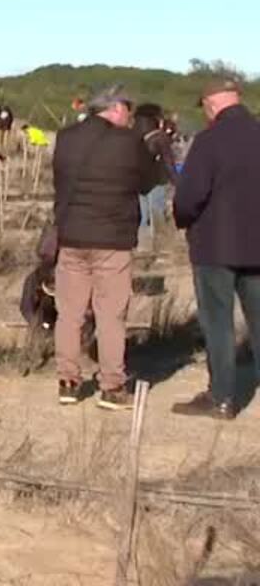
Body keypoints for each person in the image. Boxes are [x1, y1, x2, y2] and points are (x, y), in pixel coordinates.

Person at [50, 87, 160, 410]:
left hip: (72, 236)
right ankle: (112, 386)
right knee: (111, 314)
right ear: (114, 108)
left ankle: (67, 381)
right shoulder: (128, 142)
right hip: (113, 239)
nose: (130, 116)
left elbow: (59, 181)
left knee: (69, 313)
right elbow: (148, 182)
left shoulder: (66, 137)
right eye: (128, 109)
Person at [171, 77, 260, 420]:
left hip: (215, 246)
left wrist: (183, 219)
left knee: (218, 324)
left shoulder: (209, 141)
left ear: (210, 104)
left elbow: (190, 196)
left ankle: (222, 397)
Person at [133, 102, 178, 241]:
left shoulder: (131, 135)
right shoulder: (160, 137)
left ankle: (141, 242)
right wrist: (177, 182)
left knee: (142, 215)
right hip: (157, 180)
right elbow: (168, 162)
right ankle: (158, 242)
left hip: (137, 180)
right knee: (157, 212)